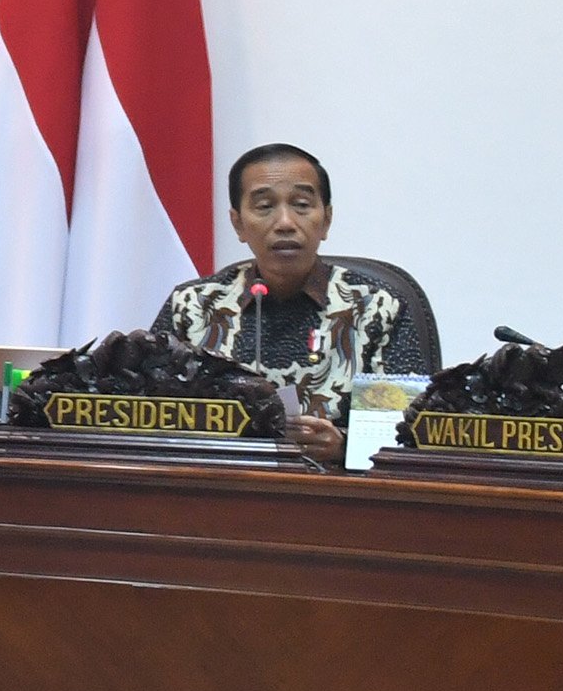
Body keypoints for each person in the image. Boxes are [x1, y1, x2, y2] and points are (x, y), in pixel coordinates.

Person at [149, 142, 408, 460]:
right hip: (218, 494)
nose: (285, 222)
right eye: (264, 206)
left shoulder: (378, 307)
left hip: (337, 498)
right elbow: (149, 416)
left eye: (301, 204)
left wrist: (345, 446)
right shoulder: (191, 307)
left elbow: (405, 435)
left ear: (325, 220)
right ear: (238, 224)